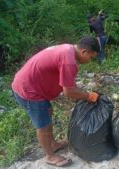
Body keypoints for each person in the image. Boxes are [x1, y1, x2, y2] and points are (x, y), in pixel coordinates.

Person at [11, 36, 100, 167]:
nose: (90, 61)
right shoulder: (68, 60)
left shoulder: (67, 49)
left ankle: (53, 144)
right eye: (91, 57)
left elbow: (68, 83)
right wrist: (89, 96)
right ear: (84, 52)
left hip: (33, 87)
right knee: (42, 124)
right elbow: (69, 92)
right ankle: (50, 156)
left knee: (48, 111)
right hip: (29, 91)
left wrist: (82, 93)